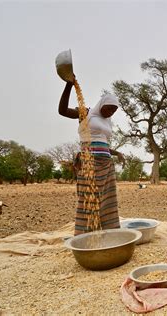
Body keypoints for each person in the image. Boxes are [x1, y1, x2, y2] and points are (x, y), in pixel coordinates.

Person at [58, 79, 125, 236]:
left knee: (108, 200)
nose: (110, 113)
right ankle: (86, 236)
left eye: (114, 111)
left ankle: (110, 234)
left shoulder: (107, 121)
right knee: (88, 199)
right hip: (89, 163)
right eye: (109, 109)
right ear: (102, 105)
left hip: (106, 163)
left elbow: (102, 144)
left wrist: (118, 153)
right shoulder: (86, 113)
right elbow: (62, 110)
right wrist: (69, 84)